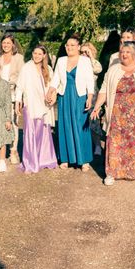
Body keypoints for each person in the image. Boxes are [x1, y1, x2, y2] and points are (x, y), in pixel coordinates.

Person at [91, 42, 135, 185]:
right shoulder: (113, 70)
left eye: (127, 52)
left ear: (134, 54)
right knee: (115, 141)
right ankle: (112, 173)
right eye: (122, 52)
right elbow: (104, 90)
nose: (124, 54)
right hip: (117, 113)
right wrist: (97, 107)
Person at [47, 34, 94, 172]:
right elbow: (56, 78)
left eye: (73, 45)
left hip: (80, 96)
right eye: (67, 45)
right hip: (64, 96)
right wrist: (50, 91)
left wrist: (90, 98)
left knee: (80, 126)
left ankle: (84, 160)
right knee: (65, 125)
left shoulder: (85, 61)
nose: (69, 48)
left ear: (79, 47)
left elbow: (90, 80)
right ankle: (66, 158)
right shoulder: (61, 60)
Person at [16, 45, 57, 173]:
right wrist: (18, 101)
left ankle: (44, 159)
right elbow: (20, 86)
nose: (37, 56)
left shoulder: (48, 69)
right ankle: (30, 162)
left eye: (40, 54)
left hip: (44, 105)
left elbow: (53, 86)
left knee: (43, 133)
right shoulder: (26, 67)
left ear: (44, 55)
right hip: (31, 104)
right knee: (30, 133)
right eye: (35, 53)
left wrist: (52, 97)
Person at [0, 34, 25, 164]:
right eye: (4, 43)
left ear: (13, 44)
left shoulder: (18, 58)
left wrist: (10, 82)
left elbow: (22, 76)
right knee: (1, 122)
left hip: (13, 95)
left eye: (8, 43)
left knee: (13, 123)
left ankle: (13, 151)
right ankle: (2, 149)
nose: (6, 45)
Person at [80, 41, 103, 155]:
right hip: (80, 93)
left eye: (86, 52)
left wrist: (91, 57)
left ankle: (97, 145)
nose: (83, 54)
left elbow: (98, 70)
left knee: (93, 119)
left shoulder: (94, 63)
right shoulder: (78, 62)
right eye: (82, 52)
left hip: (92, 93)